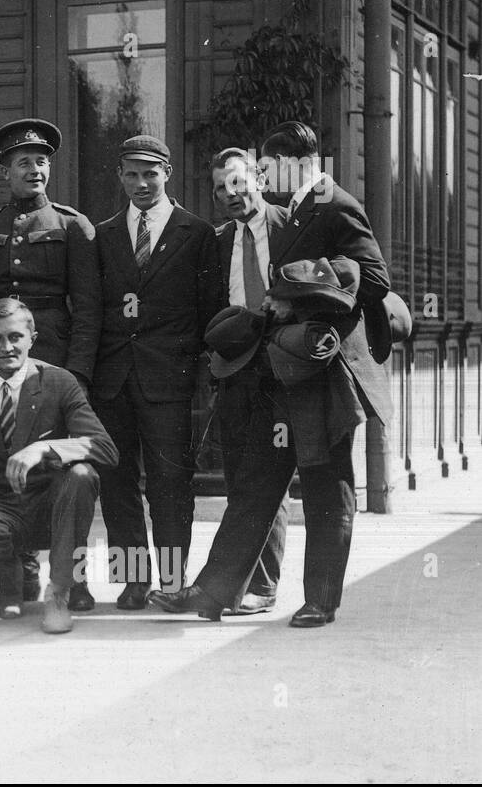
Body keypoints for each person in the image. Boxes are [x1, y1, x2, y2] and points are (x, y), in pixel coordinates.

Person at [150, 121, 392, 628]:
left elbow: (373, 278)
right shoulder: (296, 209)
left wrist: (293, 290)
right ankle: (211, 595)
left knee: (327, 486)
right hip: (276, 374)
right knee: (257, 485)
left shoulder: (334, 203)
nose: (255, 180)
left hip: (323, 373)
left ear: (293, 164)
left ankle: (321, 601)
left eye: (263, 170)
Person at [0, 118, 102, 607]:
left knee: (66, 471)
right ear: (5, 171)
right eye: (24, 163)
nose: (34, 170)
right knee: (2, 461)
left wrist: (77, 373)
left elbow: (88, 308)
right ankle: (20, 564)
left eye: (41, 161)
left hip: (54, 363)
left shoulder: (71, 225)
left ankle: (74, 579)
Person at [0, 298, 118, 633]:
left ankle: (60, 592)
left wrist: (45, 448)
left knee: (81, 475)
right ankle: (11, 573)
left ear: (32, 338)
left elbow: (105, 448)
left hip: (49, 507)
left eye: (16, 337)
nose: (7, 347)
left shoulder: (59, 382)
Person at [92, 136, 220, 606]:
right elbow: (95, 309)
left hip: (170, 378)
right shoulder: (102, 234)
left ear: (167, 172)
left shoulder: (197, 233)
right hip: (113, 379)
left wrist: (198, 372)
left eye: (151, 173)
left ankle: (171, 579)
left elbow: (210, 312)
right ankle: (133, 578)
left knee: (170, 482)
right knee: (117, 480)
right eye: (131, 173)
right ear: (120, 177)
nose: (142, 183)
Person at [208, 147, 290, 615]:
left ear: (258, 178)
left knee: (269, 477)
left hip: (282, 369)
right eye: (220, 187)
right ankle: (243, 584)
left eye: (237, 182)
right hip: (236, 370)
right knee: (239, 479)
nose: (230, 194)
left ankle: (264, 585)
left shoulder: (290, 228)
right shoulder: (219, 242)